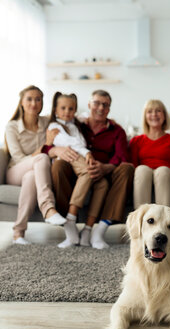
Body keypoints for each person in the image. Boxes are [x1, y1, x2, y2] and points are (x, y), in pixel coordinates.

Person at [50, 90, 134, 249]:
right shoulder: (75, 125)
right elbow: (50, 142)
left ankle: (98, 230)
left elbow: (122, 157)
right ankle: (69, 225)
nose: (100, 108)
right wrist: (54, 150)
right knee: (58, 166)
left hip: (105, 173)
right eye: (96, 103)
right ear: (89, 105)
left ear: (109, 109)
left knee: (126, 169)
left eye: (105, 105)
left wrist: (105, 168)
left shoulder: (117, 130)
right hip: (78, 171)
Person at [4, 85, 67, 245]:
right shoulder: (12, 127)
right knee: (42, 158)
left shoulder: (46, 122)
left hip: (33, 172)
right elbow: (18, 158)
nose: (34, 103)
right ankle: (48, 209)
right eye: (29, 99)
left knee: (32, 176)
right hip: (15, 171)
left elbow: (68, 118)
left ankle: (18, 233)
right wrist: (45, 146)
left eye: (38, 99)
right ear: (22, 103)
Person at [46, 92, 109, 248]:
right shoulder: (54, 127)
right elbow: (70, 142)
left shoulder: (75, 124)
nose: (67, 111)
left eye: (71, 108)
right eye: (63, 108)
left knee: (102, 184)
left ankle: (88, 230)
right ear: (55, 110)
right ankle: (71, 218)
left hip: (78, 156)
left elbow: (85, 117)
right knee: (88, 171)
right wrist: (87, 153)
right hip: (70, 157)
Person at [129, 100, 170, 209]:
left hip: (167, 175)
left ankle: (164, 221)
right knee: (141, 170)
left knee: (162, 171)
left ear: (164, 115)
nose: (154, 115)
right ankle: (141, 219)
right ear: (145, 116)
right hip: (144, 176)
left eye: (158, 111)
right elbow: (133, 167)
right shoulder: (136, 141)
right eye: (150, 111)